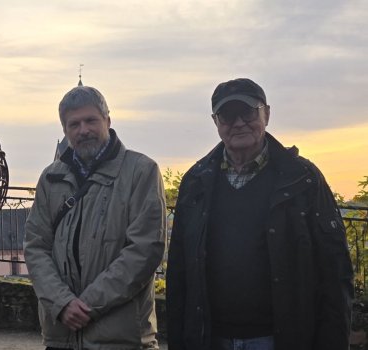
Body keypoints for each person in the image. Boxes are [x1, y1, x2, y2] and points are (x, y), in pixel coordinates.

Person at [166, 78, 353, 350]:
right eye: (228, 115)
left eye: (248, 112)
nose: (239, 122)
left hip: (283, 340)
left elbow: (335, 272)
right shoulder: (195, 182)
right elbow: (179, 273)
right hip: (210, 338)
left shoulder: (303, 179)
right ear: (216, 122)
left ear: (267, 114)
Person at [24, 86, 167, 349]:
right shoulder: (50, 178)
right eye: (74, 124)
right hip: (61, 337)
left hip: (121, 340)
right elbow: (35, 247)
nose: (83, 130)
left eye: (91, 120)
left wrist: (88, 306)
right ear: (65, 130)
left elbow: (144, 251)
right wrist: (62, 303)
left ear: (107, 120)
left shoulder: (141, 171)